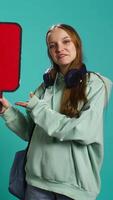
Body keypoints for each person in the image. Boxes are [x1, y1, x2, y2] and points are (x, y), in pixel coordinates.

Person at [0, 24, 112, 200]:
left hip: (73, 188)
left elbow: (83, 130)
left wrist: (39, 109)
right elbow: (32, 132)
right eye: (52, 45)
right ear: (49, 52)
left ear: (76, 44)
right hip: (36, 185)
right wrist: (8, 111)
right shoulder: (47, 86)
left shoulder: (96, 84)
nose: (59, 49)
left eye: (65, 41)